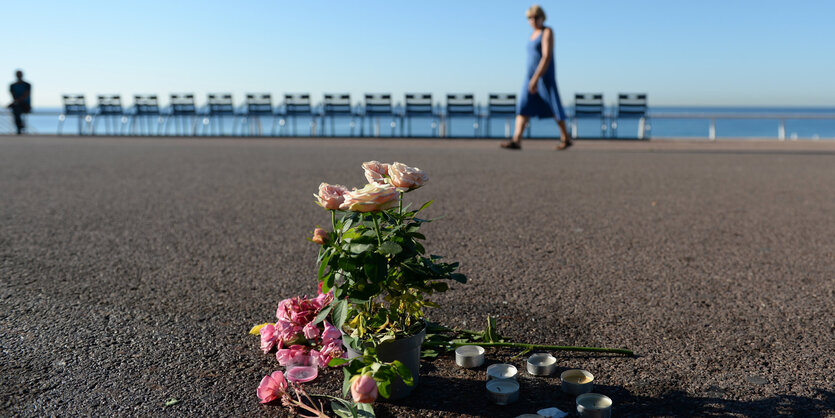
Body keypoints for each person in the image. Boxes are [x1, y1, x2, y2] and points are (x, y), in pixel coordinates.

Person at [501, 5, 572, 151]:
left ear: (542, 17)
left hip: (544, 76)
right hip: (529, 76)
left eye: (536, 17)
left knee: (553, 105)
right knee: (523, 106)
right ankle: (517, 139)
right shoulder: (532, 34)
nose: (533, 20)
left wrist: (536, 78)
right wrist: (531, 78)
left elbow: (546, 56)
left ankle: (566, 137)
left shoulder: (547, 32)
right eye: (530, 18)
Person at [9, 70, 32, 135]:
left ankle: (19, 127)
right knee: (16, 109)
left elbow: (26, 95)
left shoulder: (27, 85)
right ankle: (20, 126)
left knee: (16, 109)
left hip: (26, 105)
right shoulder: (12, 85)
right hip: (17, 105)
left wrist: (16, 101)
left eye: (20, 74)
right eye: (18, 74)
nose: (19, 76)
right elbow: (13, 96)